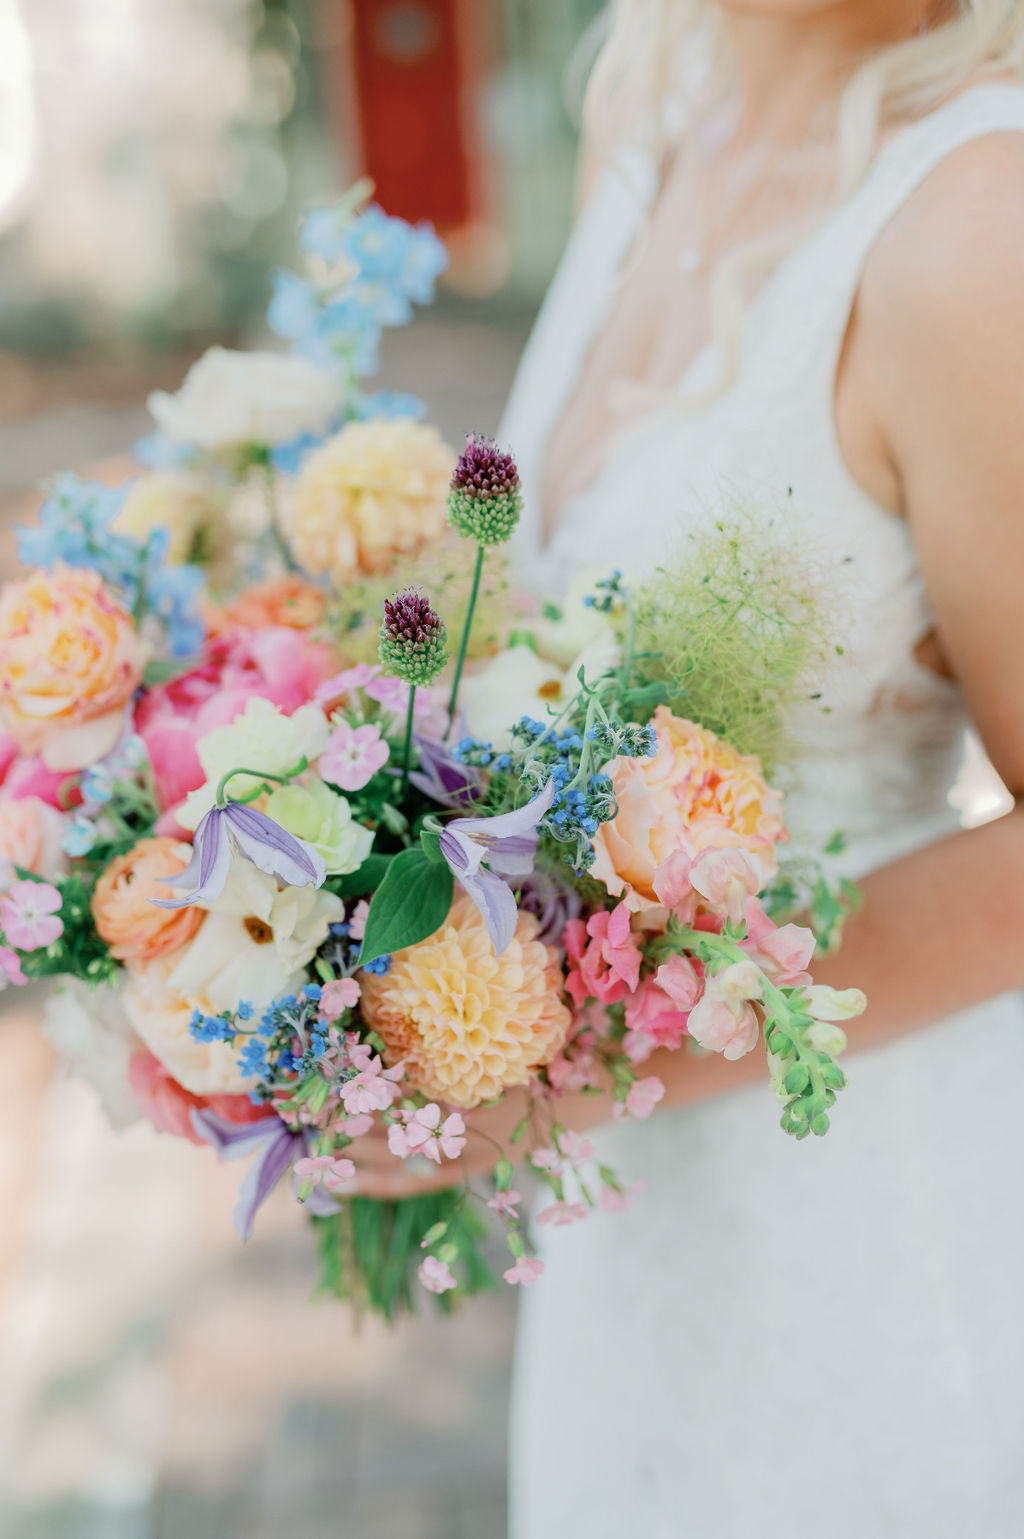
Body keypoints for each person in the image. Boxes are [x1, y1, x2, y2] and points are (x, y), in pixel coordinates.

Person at [354, 3, 1024, 1532]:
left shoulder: (977, 222)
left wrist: (563, 1083)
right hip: (635, 1271)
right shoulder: (652, 108)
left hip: (867, 1245)